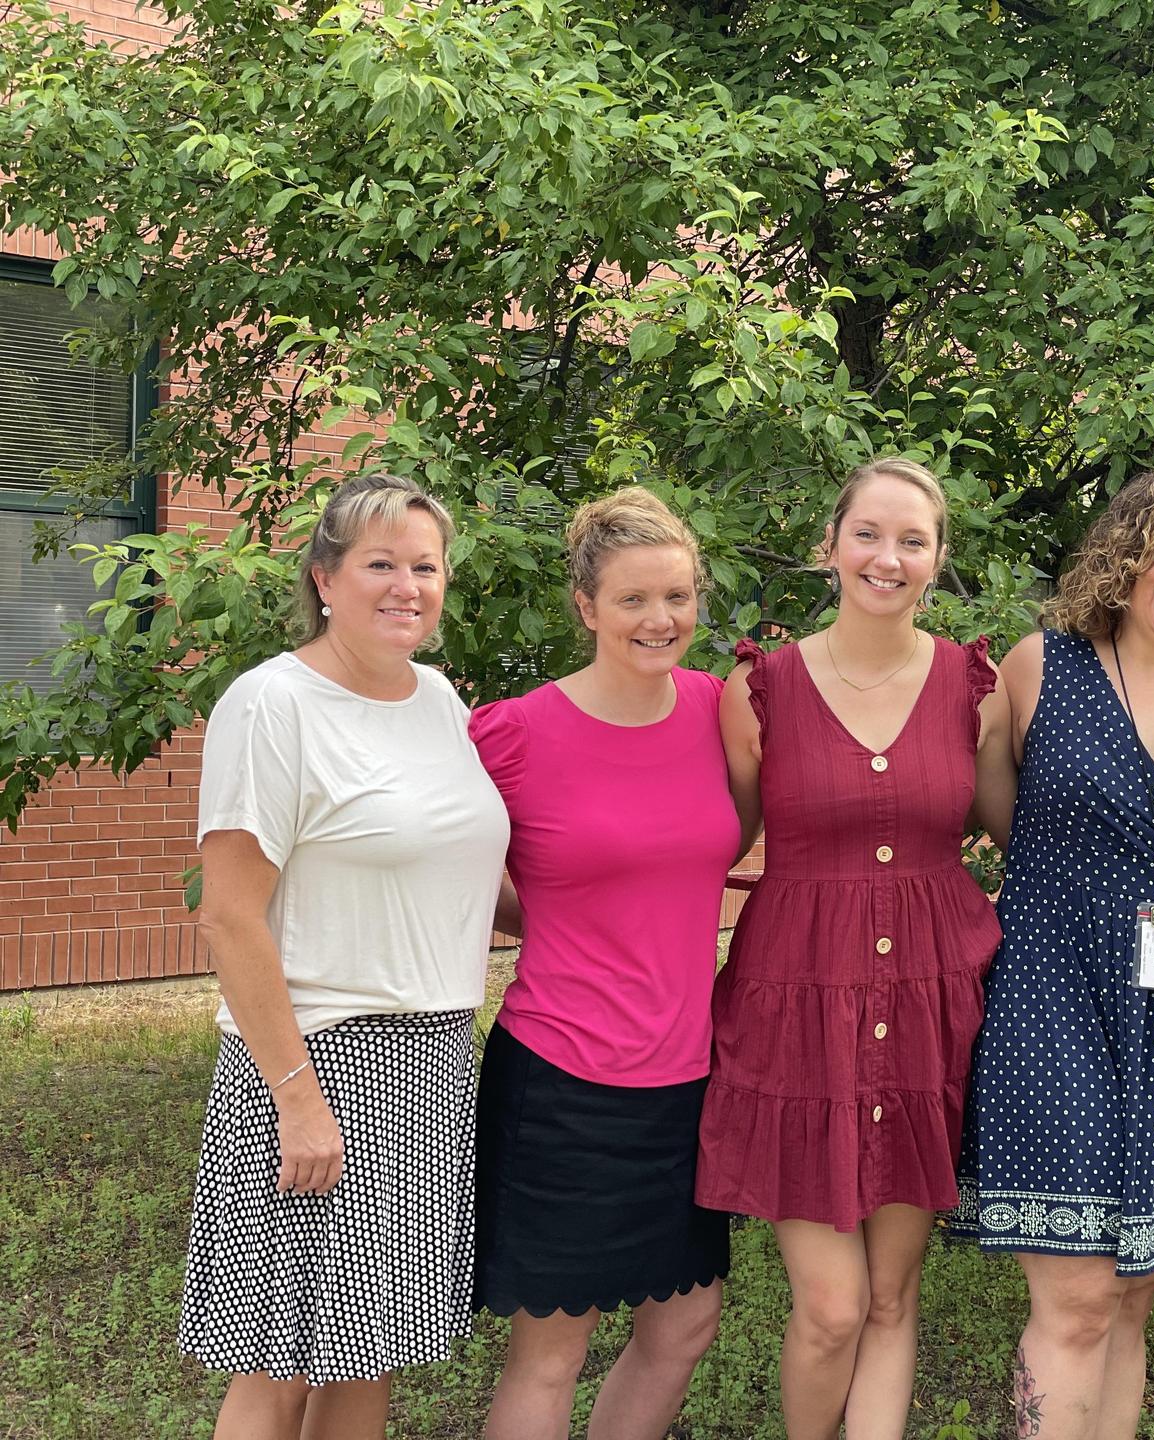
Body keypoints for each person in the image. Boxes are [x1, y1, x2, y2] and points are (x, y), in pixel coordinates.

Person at [953, 468, 1154, 1440]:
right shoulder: (1038, 668)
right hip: (1051, 994)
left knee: (1134, 1298)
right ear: (1126, 552)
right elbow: (998, 817)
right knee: (1077, 1300)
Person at [181, 473, 511, 1440]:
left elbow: (458, 878)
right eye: (380, 564)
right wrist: (293, 1094)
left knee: (369, 1357)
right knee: (277, 1366)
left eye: (425, 565)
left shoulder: (441, 700)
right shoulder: (271, 704)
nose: (406, 584)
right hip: (319, 1060)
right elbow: (232, 918)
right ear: (325, 577)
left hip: (435, 1059)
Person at [695, 457, 1010, 1440]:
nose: (889, 556)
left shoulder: (977, 685)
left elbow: (1021, 834)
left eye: (912, 539)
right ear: (828, 547)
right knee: (831, 1308)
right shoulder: (758, 689)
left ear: (938, 559)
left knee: (889, 1298)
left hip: (930, 1008)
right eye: (868, 534)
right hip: (797, 1010)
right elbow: (705, 844)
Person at [466, 488, 738, 1440]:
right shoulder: (511, 733)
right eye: (632, 599)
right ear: (585, 606)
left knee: (687, 1324)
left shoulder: (720, 710)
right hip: (562, 1080)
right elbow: (453, 881)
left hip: (691, 1079)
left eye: (678, 595)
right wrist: (550, 914)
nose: (660, 620)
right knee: (552, 1351)